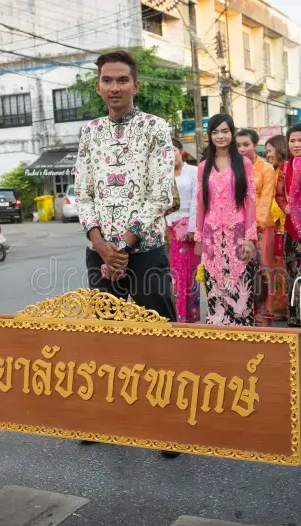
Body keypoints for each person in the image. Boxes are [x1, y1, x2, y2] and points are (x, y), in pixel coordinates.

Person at [74, 50, 177, 321]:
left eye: (122, 80)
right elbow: (83, 195)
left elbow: (161, 194)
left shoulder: (156, 127)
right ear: (98, 87)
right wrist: (100, 245)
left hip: (145, 249)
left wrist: (121, 248)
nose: (114, 88)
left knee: (160, 332)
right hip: (100, 253)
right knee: (108, 340)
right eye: (107, 81)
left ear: (136, 85)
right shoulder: (90, 132)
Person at [194, 114, 257, 326]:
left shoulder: (244, 163)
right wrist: (198, 238)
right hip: (211, 237)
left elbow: (250, 202)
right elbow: (201, 203)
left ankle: (243, 337)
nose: (220, 136)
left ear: (232, 132)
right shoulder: (203, 166)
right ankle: (219, 341)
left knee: (240, 288)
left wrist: (250, 238)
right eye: (215, 132)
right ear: (209, 136)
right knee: (215, 288)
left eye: (225, 131)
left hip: (238, 235)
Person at [236, 128, 276, 327]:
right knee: (243, 272)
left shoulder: (266, 168)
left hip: (262, 228)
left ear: (255, 145)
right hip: (238, 228)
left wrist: (253, 227)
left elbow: (266, 198)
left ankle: (265, 322)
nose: (242, 149)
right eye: (238, 145)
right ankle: (246, 317)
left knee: (264, 271)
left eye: (246, 144)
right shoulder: (234, 169)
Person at [275, 124, 301, 329]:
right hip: (292, 229)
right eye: (292, 141)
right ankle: (296, 321)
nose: (296, 144)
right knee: (293, 275)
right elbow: (279, 194)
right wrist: (287, 208)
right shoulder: (285, 167)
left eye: (300, 140)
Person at [166, 139, 200, 323]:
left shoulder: (194, 172)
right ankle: (176, 317)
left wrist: (193, 227)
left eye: (173, 151)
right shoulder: (163, 175)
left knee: (190, 274)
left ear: (181, 151)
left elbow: (197, 200)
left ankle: (190, 317)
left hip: (188, 229)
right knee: (173, 275)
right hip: (169, 228)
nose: (171, 156)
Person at [264, 134, 290, 321]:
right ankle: (276, 307)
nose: (268, 155)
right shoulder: (270, 171)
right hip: (271, 225)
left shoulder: (286, 170)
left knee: (282, 268)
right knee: (274, 268)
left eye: (270, 150)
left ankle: (285, 308)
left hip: (283, 225)